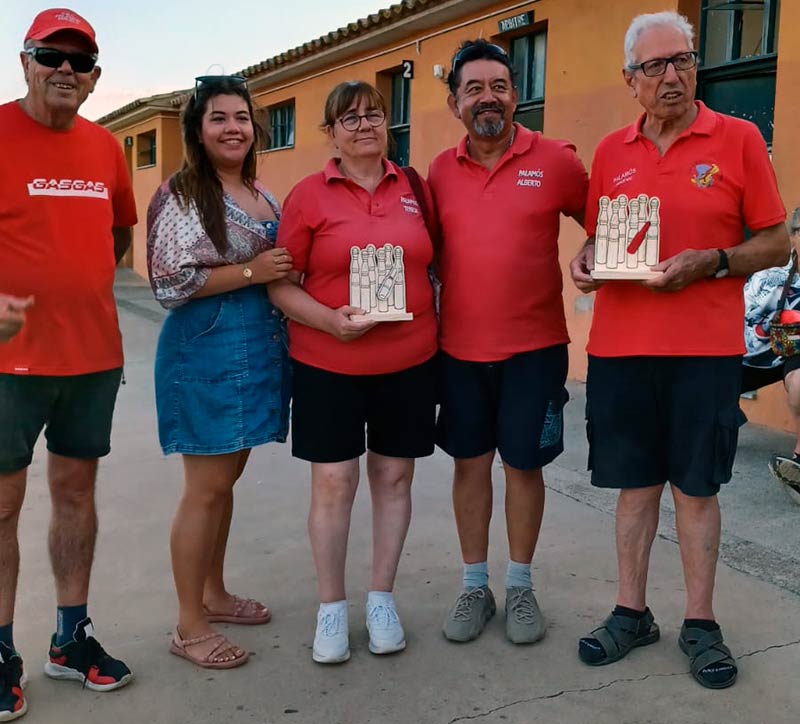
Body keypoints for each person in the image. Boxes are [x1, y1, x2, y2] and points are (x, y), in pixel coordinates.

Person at [569, 11, 788, 689]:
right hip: (621, 350)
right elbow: (606, 237)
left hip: (703, 353)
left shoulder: (740, 139)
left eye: (683, 61)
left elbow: (777, 243)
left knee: (697, 489)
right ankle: (631, 613)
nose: (673, 76)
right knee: (635, 490)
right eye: (656, 66)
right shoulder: (610, 152)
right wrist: (585, 259)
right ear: (629, 79)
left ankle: (700, 622)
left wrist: (716, 261)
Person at [268, 81, 437, 664]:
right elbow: (280, 284)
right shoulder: (308, 196)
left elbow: (438, 263)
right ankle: (331, 609)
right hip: (327, 363)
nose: (364, 125)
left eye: (374, 114)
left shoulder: (415, 188)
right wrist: (329, 320)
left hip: (409, 362)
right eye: (350, 118)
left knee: (394, 480)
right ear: (331, 132)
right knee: (334, 484)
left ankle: (382, 599)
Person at [0, 8, 138, 718]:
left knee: (76, 499)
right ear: (25, 61)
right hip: (7, 365)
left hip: (89, 360)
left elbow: (117, 232)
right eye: (51, 56)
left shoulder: (105, 148)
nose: (64, 70)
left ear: (94, 78)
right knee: (2, 508)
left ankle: (69, 638)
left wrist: (70, 286)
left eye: (78, 61)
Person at [427, 40, 588, 646]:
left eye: (499, 85)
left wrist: (597, 247)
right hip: (458, 351)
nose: (488, 97)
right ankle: (476, 586)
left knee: (523, 466)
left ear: (515, 95)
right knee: (470, 466)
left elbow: (608, 222)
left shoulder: (556, 160)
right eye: (474, 88)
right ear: (454, 103)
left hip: (535, 350)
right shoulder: (438, 173)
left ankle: (519, 586)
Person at [146, 75, 292, 669]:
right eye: (219, 118)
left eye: (242, 117)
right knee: (204, 490)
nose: (234, 127)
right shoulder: (183, 193)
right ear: (198, 131)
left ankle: (214, 592)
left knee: (224, 484)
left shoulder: (258, 190)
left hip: (256, 347)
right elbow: (169, 282)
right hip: (205, 349)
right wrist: (254, 272)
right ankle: (188, 624)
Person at [742, 208, 800, 505]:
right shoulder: (771, 274)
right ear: (792, 237)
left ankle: (799, 464)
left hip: (794, 357)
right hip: (753, 354)